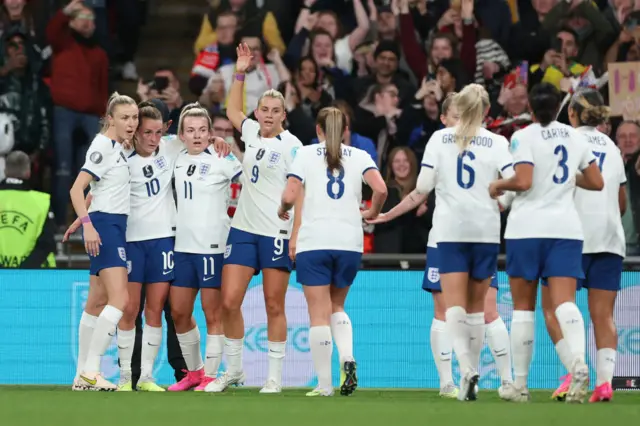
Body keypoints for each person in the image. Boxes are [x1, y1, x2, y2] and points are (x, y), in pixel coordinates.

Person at [367, 93, 514, 399]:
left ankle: (464, 373)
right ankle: (495, 381)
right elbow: (513, 186)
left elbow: (420, 189)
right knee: (480, 311)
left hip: (447, 236)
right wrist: (501, 201)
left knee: (453, 310)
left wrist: (386, 214)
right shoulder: (497, 142)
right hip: (484, 234)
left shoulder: (440, 139)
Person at [489, 83, 604, 403]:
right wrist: (564, 177)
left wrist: (499, 183)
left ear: (531, 106)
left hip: (527, 230)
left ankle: (521, 386)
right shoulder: (574, 137)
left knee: (524, 310)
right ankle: (579, 363)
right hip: (566, 230)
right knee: (565, 302)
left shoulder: (523, 136)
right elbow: (596, 182)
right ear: (558, 108)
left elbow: (523, 181)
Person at [205, 43, 303, 394]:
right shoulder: (248, 133)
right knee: (228, 301)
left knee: (274, 303)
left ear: (283, 115)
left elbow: (300, 192)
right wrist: (240, 72)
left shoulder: (292, 147)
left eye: (276, 110)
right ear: (258, 112)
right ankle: (234, 370)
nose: (269, 115)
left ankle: (274, 377)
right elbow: (232, 108)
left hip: (275, 232)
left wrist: (295, 234)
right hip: (243, 230)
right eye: (264, 109)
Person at [278, 107, 387, 397]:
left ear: (318, 130)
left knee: (318, 315)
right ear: (345, 129)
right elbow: (381, 189)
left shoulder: (305, 154)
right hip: (349, 242)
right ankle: (347, 358)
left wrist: (282, 209)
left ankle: (325, 385)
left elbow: (290, 195)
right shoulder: (360, 156)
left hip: (315, 242)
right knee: (337, 307)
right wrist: (371, 212)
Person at [541, 90, 625, 403]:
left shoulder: (563, 140)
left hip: (569, 238)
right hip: (609, 239)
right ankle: (605, 385)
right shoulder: (613, 148)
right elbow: (622, 201)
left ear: (572, 114)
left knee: (552, 307)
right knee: (603, 316)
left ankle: (571, 371)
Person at [167, 104, 241, 392]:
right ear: (181, 135)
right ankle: (195, 372)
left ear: (210, 134)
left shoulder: (223, 158)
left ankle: (211, 374)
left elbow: (251, 183)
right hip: (182, 247)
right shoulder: (175, 157)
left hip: (213, 247)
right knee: (179, 312)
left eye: (202, 130)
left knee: (213, 313)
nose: (196, 136)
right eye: (190, 130)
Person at [68, 92, 138, 391]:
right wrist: (89, 225)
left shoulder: (116, 146)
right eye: (125, 117)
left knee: (96, 302)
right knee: (120, 300)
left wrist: (85, 217)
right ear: (110, 119)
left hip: (107, 221)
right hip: (107, 226)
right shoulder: (103, 147)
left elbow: (97, 188)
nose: (131, 123)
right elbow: (76, 188)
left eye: (134, 117)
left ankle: (80, 375)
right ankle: (93, 369)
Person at [0, 150, 56, 268]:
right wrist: (23, 271)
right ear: (28, 173)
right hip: (36, 278)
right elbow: (46, 243)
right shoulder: (42, 201)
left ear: (5, 171)